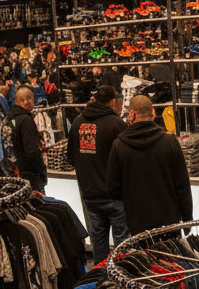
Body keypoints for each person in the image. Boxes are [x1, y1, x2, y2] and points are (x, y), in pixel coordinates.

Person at [107, 95, 192, 236]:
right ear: (153, 113)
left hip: (138, 222)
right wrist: (187, 219)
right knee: (171, 251)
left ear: (131, 114)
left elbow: (113, 189)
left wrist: (132, 196)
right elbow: (182, 186)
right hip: (169, 221)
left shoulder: (118, 146)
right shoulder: (170, 142)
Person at [66, 86, 128, 263]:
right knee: (122, 246)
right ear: (112, 102)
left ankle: (101, 276)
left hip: (90, 194)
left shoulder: (77, 122)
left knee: (99, 245)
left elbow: (70, 157)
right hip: (115, 196)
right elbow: (126, 160)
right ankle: (122, 276)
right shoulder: (116, 124)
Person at [1, 87, 47, 193]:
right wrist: (42, 171)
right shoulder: (26, 121)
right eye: (32, 100)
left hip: (12, 177)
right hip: (30, 179)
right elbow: (32, 152)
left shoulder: (6, 120)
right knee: (37, 202)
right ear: (26, 101)